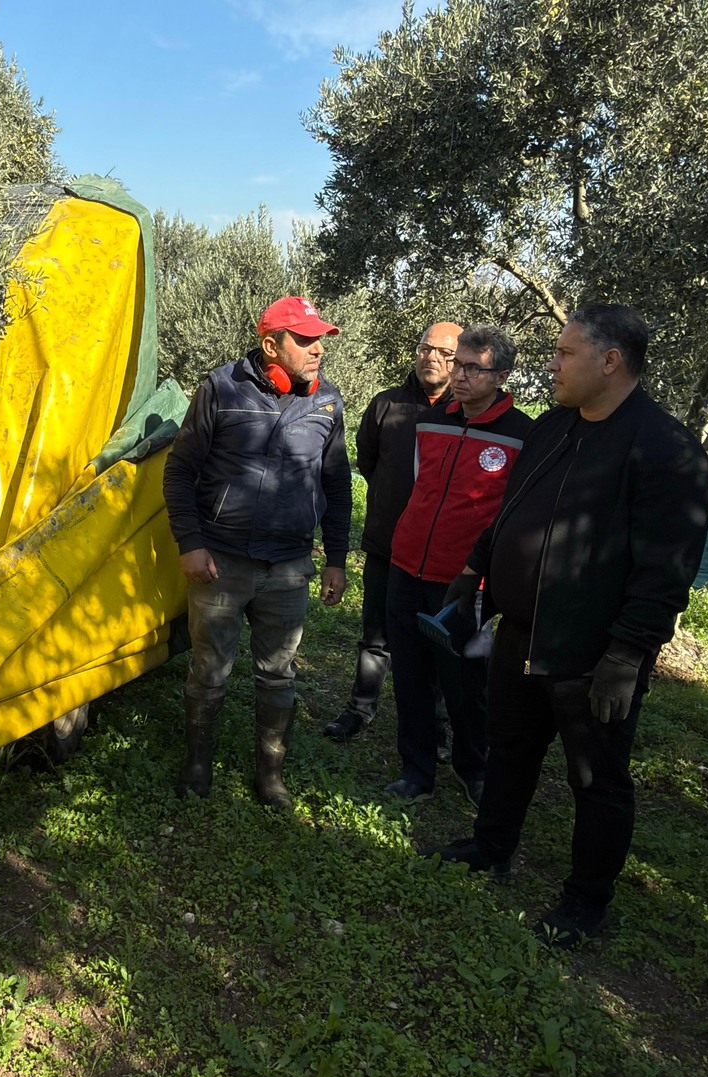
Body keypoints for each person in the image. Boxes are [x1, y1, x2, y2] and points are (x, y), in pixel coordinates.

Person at [425, 304, 708, 946]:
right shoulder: (554, 428)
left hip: (591, 654)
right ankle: (492, 848)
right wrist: (476, 569)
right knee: (511, 749)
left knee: (597, 777)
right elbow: (513, 511)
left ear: (610, 362)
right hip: (522, 634)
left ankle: (587, 902)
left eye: (564, 354)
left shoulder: (666, 451)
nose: (550, 365)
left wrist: (627, 655)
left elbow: (666, 570)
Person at [163, 296, 351, 812]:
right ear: (271, 344)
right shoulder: (221, 387)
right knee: (210, 669)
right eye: (305, 340)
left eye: (320, 340)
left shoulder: (328, 402)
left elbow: (336, 485)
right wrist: (192, 544)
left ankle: (270, 776)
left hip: (289, 566)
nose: (317, 350)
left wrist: (336, 557)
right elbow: (180, 471)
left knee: (279, 673)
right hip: (221, 561)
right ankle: (198, 765)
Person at [381, 326, 533, 803]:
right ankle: (416, 770)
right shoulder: (429, 421)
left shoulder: (522, 435)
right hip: (405, 566)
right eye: (457, 364)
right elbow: (416, 485)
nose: (458, 375)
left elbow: (515, 516)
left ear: (502, 375)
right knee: (408, 674)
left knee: (466, 683)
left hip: (466, 582)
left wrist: (483, 576)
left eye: (472, 367)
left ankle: (474, 768)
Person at [323, 321, 463, 746]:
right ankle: (360, 709)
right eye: (425, 348)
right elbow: (368, 463)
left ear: (461, 361)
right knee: (376, 634)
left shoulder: (466, 414)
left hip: (443, 557)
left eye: (444, 352)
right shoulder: (386, 405)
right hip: (387, 545)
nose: (431, 358)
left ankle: (439, 725)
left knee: (439, 641)